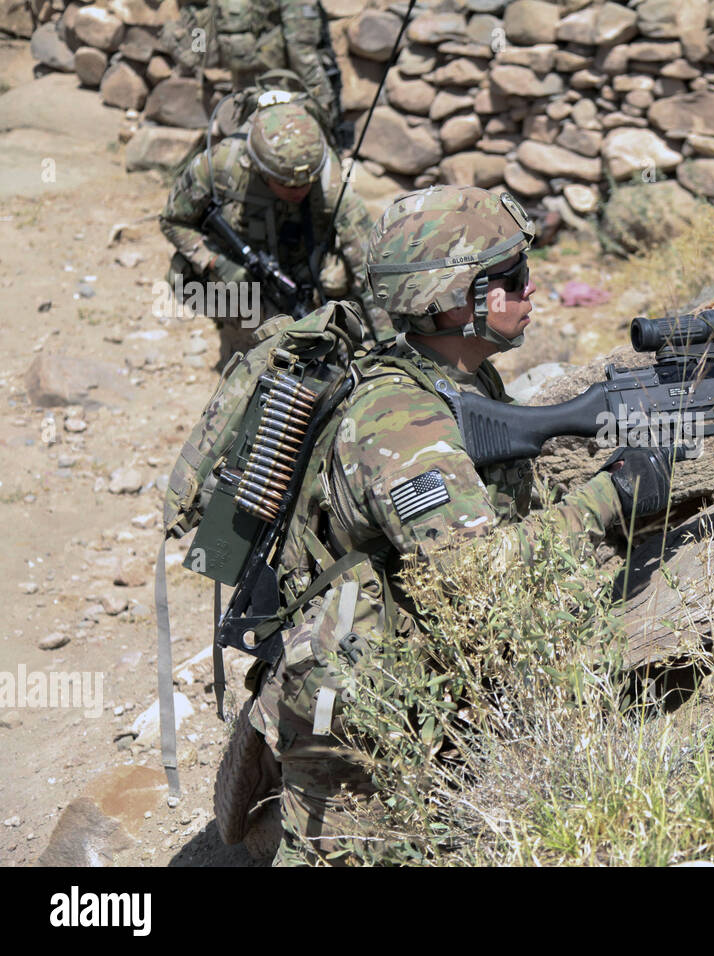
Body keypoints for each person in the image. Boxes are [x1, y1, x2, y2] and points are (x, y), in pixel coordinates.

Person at [232, 185, 673, 863]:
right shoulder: (403, 425)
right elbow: (479, 577)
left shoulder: (452, 378)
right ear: (454, 297)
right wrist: (609, 498)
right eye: (511, 279)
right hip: (355, 706)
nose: (532, 290)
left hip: (409, 669)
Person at [160, 100, 387, 362]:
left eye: (306, 182)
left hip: (300, 273)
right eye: (287, 184)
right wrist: (216, 262)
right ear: (258, 169)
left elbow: (368, 266)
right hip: (242, 278)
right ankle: (240, 344)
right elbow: (172, 220)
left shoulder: (331, 181)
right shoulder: (220, 166)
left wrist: (386, 347)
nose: (299, 191)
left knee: (335, 284)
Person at [163, 0, 343, 136]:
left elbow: (199, 23)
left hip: (243, 82)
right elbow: (301, 51)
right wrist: (323, 100)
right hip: (282, 85)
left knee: (251, 137)